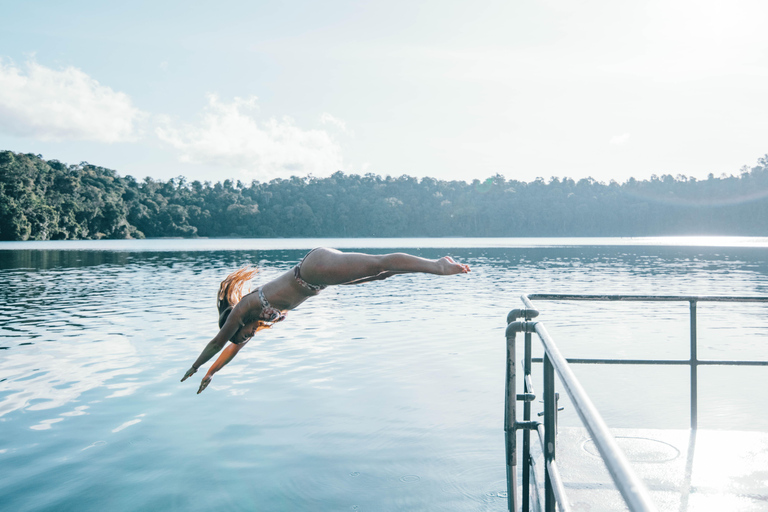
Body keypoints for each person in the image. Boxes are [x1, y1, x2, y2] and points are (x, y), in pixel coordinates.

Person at [181, 247, 470, 393]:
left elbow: (220, 342)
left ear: (235, 324)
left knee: (379, 263)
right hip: (319, 280)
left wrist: (195, 366)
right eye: (246, 339)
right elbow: (231, 350)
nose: (247, 338)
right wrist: (211, 374)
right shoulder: (254, 321)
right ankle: (429, 267)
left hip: (313, 269)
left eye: (243, 335)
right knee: (382, 274)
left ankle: (438, 266)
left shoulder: (242, 309)